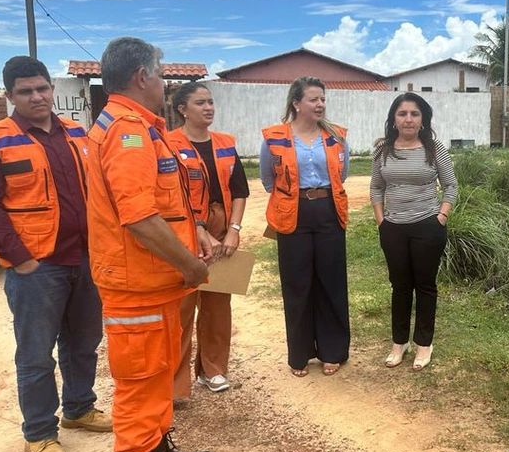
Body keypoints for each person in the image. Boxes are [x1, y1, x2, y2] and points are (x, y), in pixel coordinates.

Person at [87, 37, 221, 452]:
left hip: (154, 283)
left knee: (160, 369)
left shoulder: (142, 126)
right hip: (135, 285)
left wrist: (197, 234)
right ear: (142, 76)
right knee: (141, 381)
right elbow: (140, 217)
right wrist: (190, 265)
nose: (164, 82)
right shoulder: (127, 131)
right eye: (161, 73)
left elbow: (169, 206)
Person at [0, 56, 111, 452]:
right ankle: (39, 433)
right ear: (10, 96)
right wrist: (21, 259)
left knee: (84, 343)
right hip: (38, 267)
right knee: (35, 354)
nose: (37, 97)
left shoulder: (76, 134)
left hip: (85, 260)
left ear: (53, 90)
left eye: (42, 88)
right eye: (26, 91)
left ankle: (80, 408)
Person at [260, 76, 350, 377]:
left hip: (328, 210)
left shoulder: (336, 136)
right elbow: (267, 179)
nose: (320, 104)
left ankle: (332, 351)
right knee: (297, 284)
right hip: (292, 212)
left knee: (331, 281)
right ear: (296, 103)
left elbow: (343, 173)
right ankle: (299, 354)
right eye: (313, 99)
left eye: (322, 99)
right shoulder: (274, 137)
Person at [167, 82, 249, 398]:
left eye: (211, 102)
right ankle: (175, 383)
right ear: (182, 110)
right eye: (200, 102)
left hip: (221, 228)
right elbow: (171, 195)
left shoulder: (226, 143)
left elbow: (240, 190)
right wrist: (197, 232)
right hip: (184, 231)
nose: (209, 108)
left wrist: (234, 230)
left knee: (218, 306)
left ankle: (213, 370)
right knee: (182, 307)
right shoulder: (168, 144)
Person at [370, 93, 458, 371]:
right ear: (394, 119)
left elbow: (451, 186)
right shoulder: (383, 150)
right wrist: (381, 221)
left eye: (414, 114)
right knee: (399, 286)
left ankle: (424, 344)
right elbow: (376, 187)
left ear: (423, 119)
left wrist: (441, 216)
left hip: (427, 227)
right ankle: (399, 343)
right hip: (393, 228)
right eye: (402, 113)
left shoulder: (434, 148)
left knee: (425, 286)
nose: (408, 119)